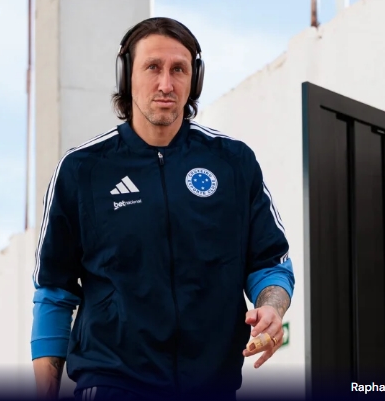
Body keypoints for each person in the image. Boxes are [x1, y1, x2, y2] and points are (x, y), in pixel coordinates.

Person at [31, 17, 294, 401]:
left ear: (195, 79)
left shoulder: (233, 163)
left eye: (179, 70)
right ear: (127, 76)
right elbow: (54, 291)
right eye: (153, 67)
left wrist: (271, 308)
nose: (166, 84)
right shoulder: (82, 170)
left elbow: (270, 263)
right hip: (111, 384)